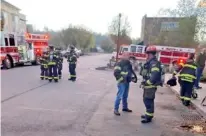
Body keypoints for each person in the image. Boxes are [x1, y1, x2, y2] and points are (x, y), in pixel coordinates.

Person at [140, 45, 162, 123]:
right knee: (147, 100)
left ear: (150, 54)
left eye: (147, 53)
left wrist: (147, 83)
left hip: (150, 86)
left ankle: (148, 117)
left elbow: (154, 76)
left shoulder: (154, 63)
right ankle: (148, 114)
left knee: (148, 100)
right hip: (148, 86)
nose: (146, 55)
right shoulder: (150, 62)